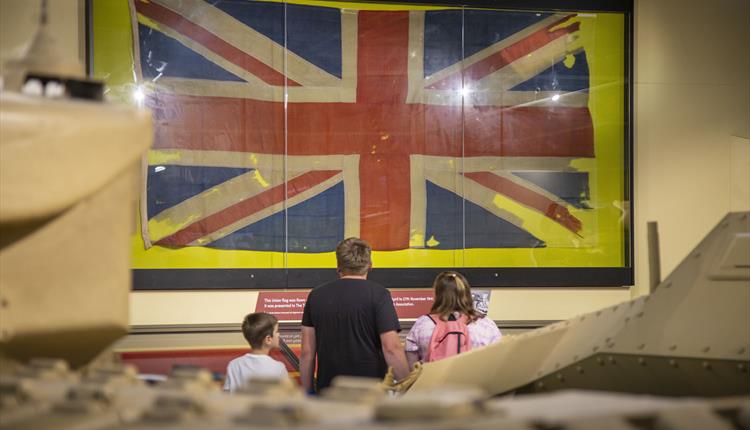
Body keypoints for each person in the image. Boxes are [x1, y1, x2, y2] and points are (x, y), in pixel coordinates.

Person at [300, 237, 409, 393]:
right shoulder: (379, 295)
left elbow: (307, 352)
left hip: (329, 391)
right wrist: (408, 387)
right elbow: (391, 348)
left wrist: (307, 392)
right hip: (371, 391)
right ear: (370, 266)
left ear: (338, 266)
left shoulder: (316, 295)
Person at [405, 271, 502, 368]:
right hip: (474, 382)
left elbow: (412, 368)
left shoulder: (422, 324)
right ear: (467, 293)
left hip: (433, 381)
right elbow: (499, 361)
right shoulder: (486, 325)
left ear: (437, 295)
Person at [223, 312, 289, 393]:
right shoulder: (279, 368)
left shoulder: (234, 365)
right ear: (268, 339)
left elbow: (226, 395)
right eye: (277, 331)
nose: (279, 334)